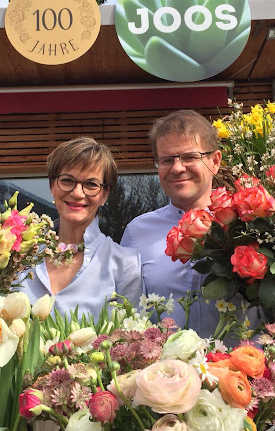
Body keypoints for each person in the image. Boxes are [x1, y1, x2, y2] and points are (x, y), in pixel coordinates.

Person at [121, 110, 252, 337]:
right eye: (166, 159)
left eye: (189, 157)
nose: (177, 168)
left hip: (242, 369)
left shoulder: (250, 222)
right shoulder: (136, 233)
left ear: (215, 161)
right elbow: (127, 314)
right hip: (162, 370)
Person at [18, 136, 143, 317]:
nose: (77, 193)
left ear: (104, 194)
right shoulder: (20, 257)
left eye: (91, 184)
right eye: (67, 180)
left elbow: (134, 338)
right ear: (52, 185)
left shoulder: (125, 264)